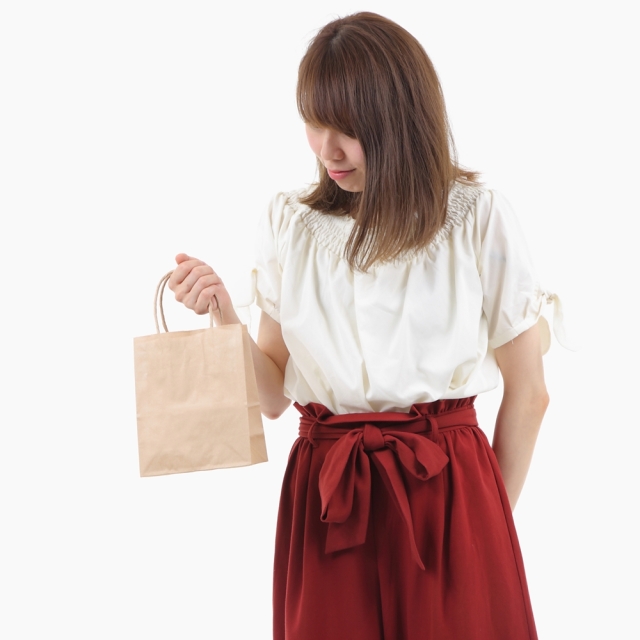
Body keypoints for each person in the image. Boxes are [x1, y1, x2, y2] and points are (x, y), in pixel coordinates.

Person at [168, 11, 555, 640]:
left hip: (446, 490)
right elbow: (272, 396)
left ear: (400, 121)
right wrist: (223, 312)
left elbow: (530, 393)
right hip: (330, 498)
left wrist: (484, 523)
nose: (328, 151)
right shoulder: (290, 222)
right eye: (314, 123)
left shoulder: (476, 216)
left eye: (348, 129)